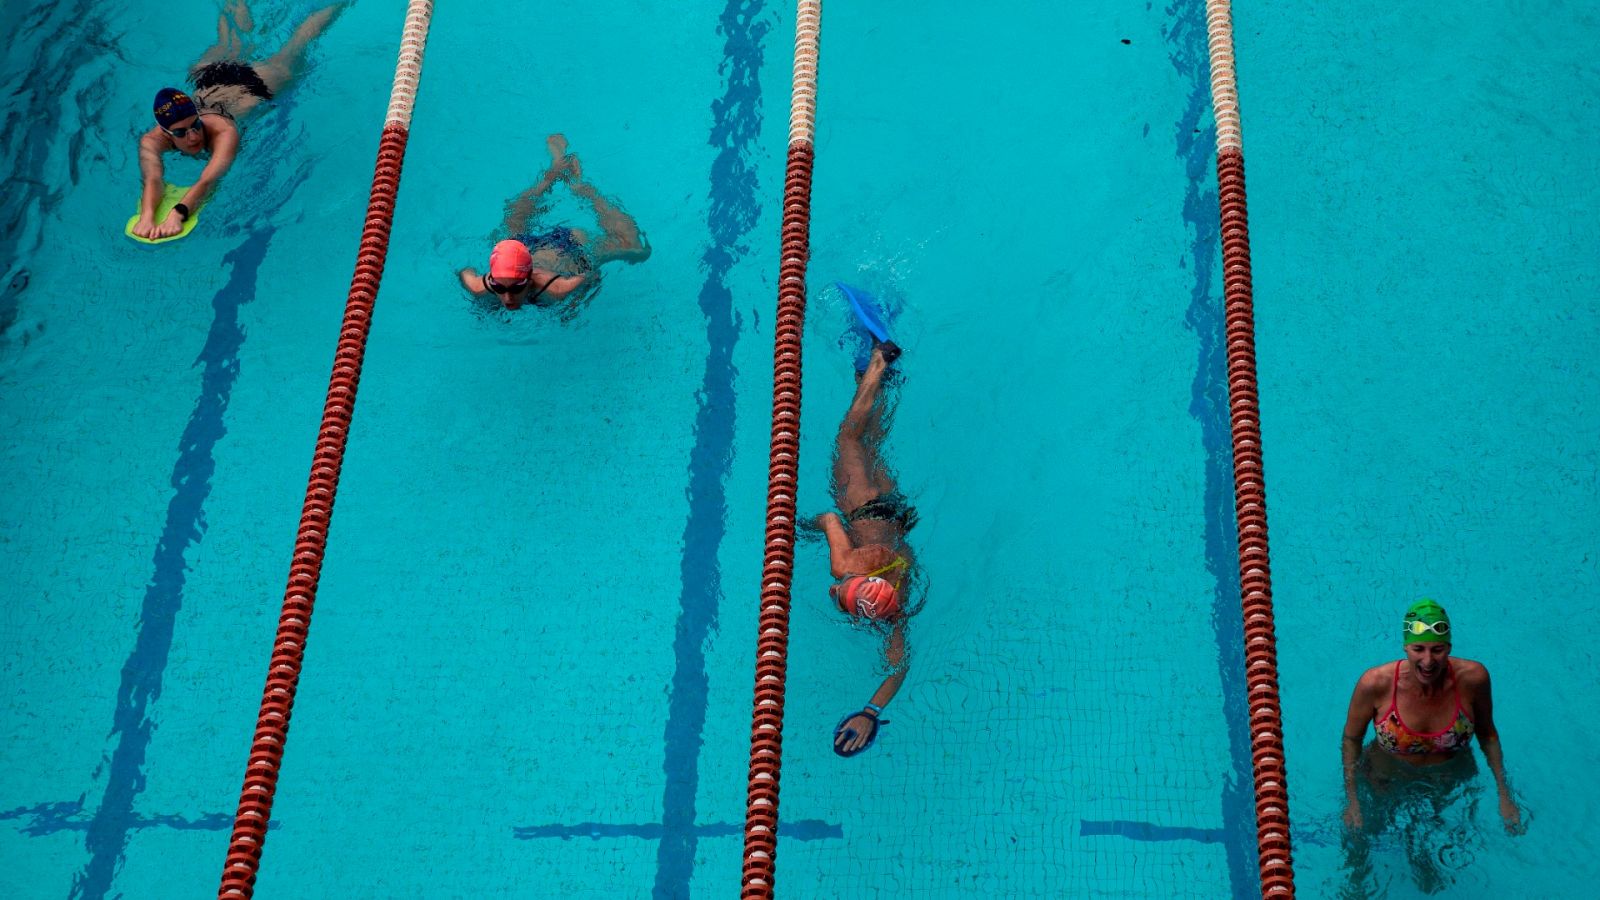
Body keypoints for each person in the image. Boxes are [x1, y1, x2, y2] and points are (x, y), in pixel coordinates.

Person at [1338, 598, 1520, 891]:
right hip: (1384, 778)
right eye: (1418, 649)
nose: (1428, 660)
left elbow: (1487, 734)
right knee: (1360, 838)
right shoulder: (1375, 684)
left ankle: (1421, 859)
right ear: (1405, 647)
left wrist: (1504, 793)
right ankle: (1355, 885)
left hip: (1447, 781)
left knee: (1430, 845)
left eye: (1437, 649)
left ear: (1449, 647)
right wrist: (1353, 800)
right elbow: (1351, 739)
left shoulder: (1473, 679)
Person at [133, 2, 343, 239]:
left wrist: (177, 214)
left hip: (254, 86)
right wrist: (147, 217)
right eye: (181, 133)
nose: (193, 136)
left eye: (196, 125)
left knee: (298, 42)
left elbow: (208, 179)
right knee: (230, 38)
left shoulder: (224, 131)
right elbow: (152, 178)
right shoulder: (151, 141)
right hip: (207, 75)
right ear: (165, 132)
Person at [813, 341, 918, 757]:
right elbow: (827, 518)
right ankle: (878, 364)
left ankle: (875, 385)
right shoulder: (846, 565)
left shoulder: (898, 606)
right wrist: (804, 528)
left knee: (872, 443)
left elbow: (899, 667)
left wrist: (871, 711)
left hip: (896, 515)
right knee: (850, 436)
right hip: (863, 505)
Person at [457, 135, 651, 312]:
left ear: (529, 278)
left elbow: (589, 276)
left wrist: (586, 283)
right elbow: (465, 273)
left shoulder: (557, 289)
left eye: (517, 287)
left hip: (569, 248)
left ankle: (580, 186)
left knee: (637, 250)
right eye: (498, 287)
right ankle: (554, 172)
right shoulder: (480, 286)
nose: (507, 297)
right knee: (512, 223)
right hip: (526, 246)